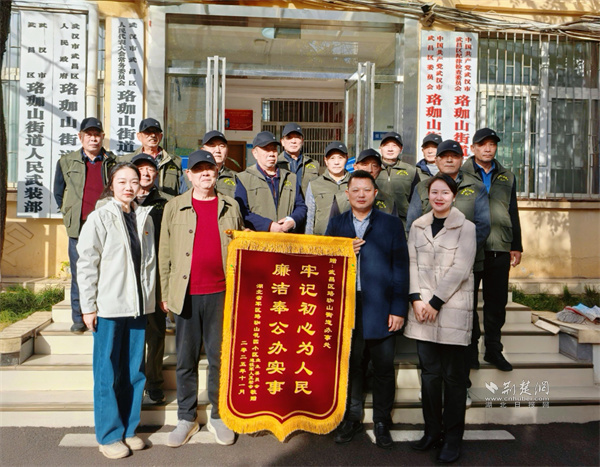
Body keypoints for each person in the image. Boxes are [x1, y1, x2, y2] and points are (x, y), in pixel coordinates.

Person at [159, 150, 244, 447]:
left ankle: (219, 416)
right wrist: (165, 293)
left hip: (221, 293)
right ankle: (187, 417)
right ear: (189, 175)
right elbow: (165, 252)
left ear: (217, 172)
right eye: (199, 169)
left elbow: (242, 246)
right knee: (186, 359)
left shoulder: (230, 205)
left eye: (210, 168)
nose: (206, 173)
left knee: (220, 358)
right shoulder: (174, 206)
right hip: (186, 295)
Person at [77, 162, 156, 459]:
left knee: (134, 372)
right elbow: (87, 263)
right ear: (111, 185)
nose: (128, 187)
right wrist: (88, 306)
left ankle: (128, 429)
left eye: (133, 181)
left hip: (137, 307)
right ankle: (109, 434)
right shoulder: (99, 217)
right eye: (121, 181)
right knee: (107, 372)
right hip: (109, 306)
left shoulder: (144, 217)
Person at [325, 170, 409, 450]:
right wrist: (342, 250)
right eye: (355, 190)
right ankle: (352, 418)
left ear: (375, 193)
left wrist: (398, 309)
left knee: (383, 367)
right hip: (348, 305)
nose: (361, 195)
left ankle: (382, 421)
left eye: (366, 190)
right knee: (353, 364)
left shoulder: (390, 224)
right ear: (347, 194)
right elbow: (324, 262)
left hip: (381, 305)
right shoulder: (336, 223)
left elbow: (401, 268)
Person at [405, 140, 491, 393]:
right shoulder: (422, 189)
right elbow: (412, 227)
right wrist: (417, 297)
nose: (449, 160)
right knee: (430, 364)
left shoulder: (474, 188)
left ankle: (463, 385)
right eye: (444, 156)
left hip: (460, 272)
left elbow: (483, 225)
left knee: (463, 332)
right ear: (437, 160)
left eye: (454, 155)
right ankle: (433, 399)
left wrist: (460, 249)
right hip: (425, 279)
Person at [404, 173, 477, 464]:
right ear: (428, 195)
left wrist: (435, 302)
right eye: (434, 192)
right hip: (422, 311)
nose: (439, 197)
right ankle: (432, 431)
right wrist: (416, 299)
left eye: (445, 192)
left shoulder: (467, 227)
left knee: (454, 379)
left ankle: (453, 438)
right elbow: (411, 263)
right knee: (430, 376)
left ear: (454, 196)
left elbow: (461, 268)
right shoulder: (417, 226)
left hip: (452, 310)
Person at [461, 128, 523, 372]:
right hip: (470, 247)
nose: (488, 149)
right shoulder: (461, 173)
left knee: (496, 302)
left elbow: (513, 210)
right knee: (467, 301)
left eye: (492, 144)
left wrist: (516, 245)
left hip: (500, 247)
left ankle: (493, 349)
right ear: (473, 148)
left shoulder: (507, 176)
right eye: (482, 144)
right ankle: (469, 349)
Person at [53, 117, 117, 333]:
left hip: (106, 225)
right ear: (80, 137)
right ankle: (79, 318)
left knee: (106, 270)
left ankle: (103, 313)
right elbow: (59, 193)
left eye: (97, 134)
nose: (93, 138)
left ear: (102, 137)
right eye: (89, 134)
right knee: (79, 271)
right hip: (79, 227)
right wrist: (69, 212)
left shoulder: (112, 162)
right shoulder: (66, 161)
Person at [130, 154, 172, 406]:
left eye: (150, 169)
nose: (145, 173)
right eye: (140, 169)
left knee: (155, 331)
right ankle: (132, 382)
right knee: (131, 333)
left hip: (155, 274)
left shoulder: (166, 203)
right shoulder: (122, 200)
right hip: (127, 276)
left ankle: (154, 383)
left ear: (157, 174)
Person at [235, 131, 307, 232]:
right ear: (255, 153)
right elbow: (242, 211)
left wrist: (292, 220)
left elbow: (301, 206)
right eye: (266, 149)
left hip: (286, 237)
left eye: (274, 149)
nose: (271, 154)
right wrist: (268, 225)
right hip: (258, 237)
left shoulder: (291, 177)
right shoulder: (244, 179)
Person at [122, 118, 182, 196]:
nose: (153, 135)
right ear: (139, 136)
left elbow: (182, 189)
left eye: (156, 132)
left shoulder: (174, 161)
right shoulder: (127, 161)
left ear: (161, 136)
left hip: (167, 202)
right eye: (148, 132)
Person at [305, 141, 350, 235]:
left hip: (348, 239)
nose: (336, 162)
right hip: (321, 239)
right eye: (332, 158)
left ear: (346, 159)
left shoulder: (354, 183)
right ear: (326, 161)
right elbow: (309, 217)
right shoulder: (315, 184)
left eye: (340, 158)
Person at [376, 131, 420, 226]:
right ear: (380, 148)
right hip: (376, 222)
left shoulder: (411, 171)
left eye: (394, 146)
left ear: (401, 149)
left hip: (403, 223)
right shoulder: (373, 168)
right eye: (386, 145)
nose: (390, 149)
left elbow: (417, 201)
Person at [180, 130, 237, 197]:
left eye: (221, 146)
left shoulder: (236, 178)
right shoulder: (187, 176)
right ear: (203, 149)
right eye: (212, 145)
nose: (217, 150)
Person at [277, 122, 320, 196]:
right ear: (282, 142)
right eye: (289, 137)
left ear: (302, 141)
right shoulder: (276, 164)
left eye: (297, 137)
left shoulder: (313, 164)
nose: (293, 141)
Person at [353, 148, 397, 216]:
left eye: (374, 166)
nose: (369, 170)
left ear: (380, 169)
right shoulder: (341, 198)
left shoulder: (388, 201)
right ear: (355, 167)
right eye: (365, 164)